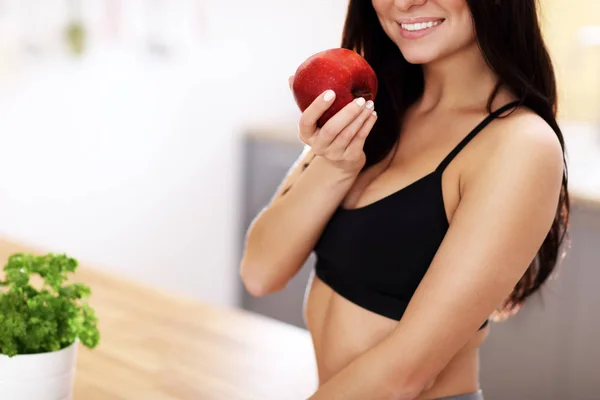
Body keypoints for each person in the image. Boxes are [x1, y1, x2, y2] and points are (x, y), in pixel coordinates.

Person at [240, 0, 570, 399]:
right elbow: (260, 270)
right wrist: (336, 167)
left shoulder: (520, 144)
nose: (403, 2)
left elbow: (403, 374)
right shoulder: (373, 105)